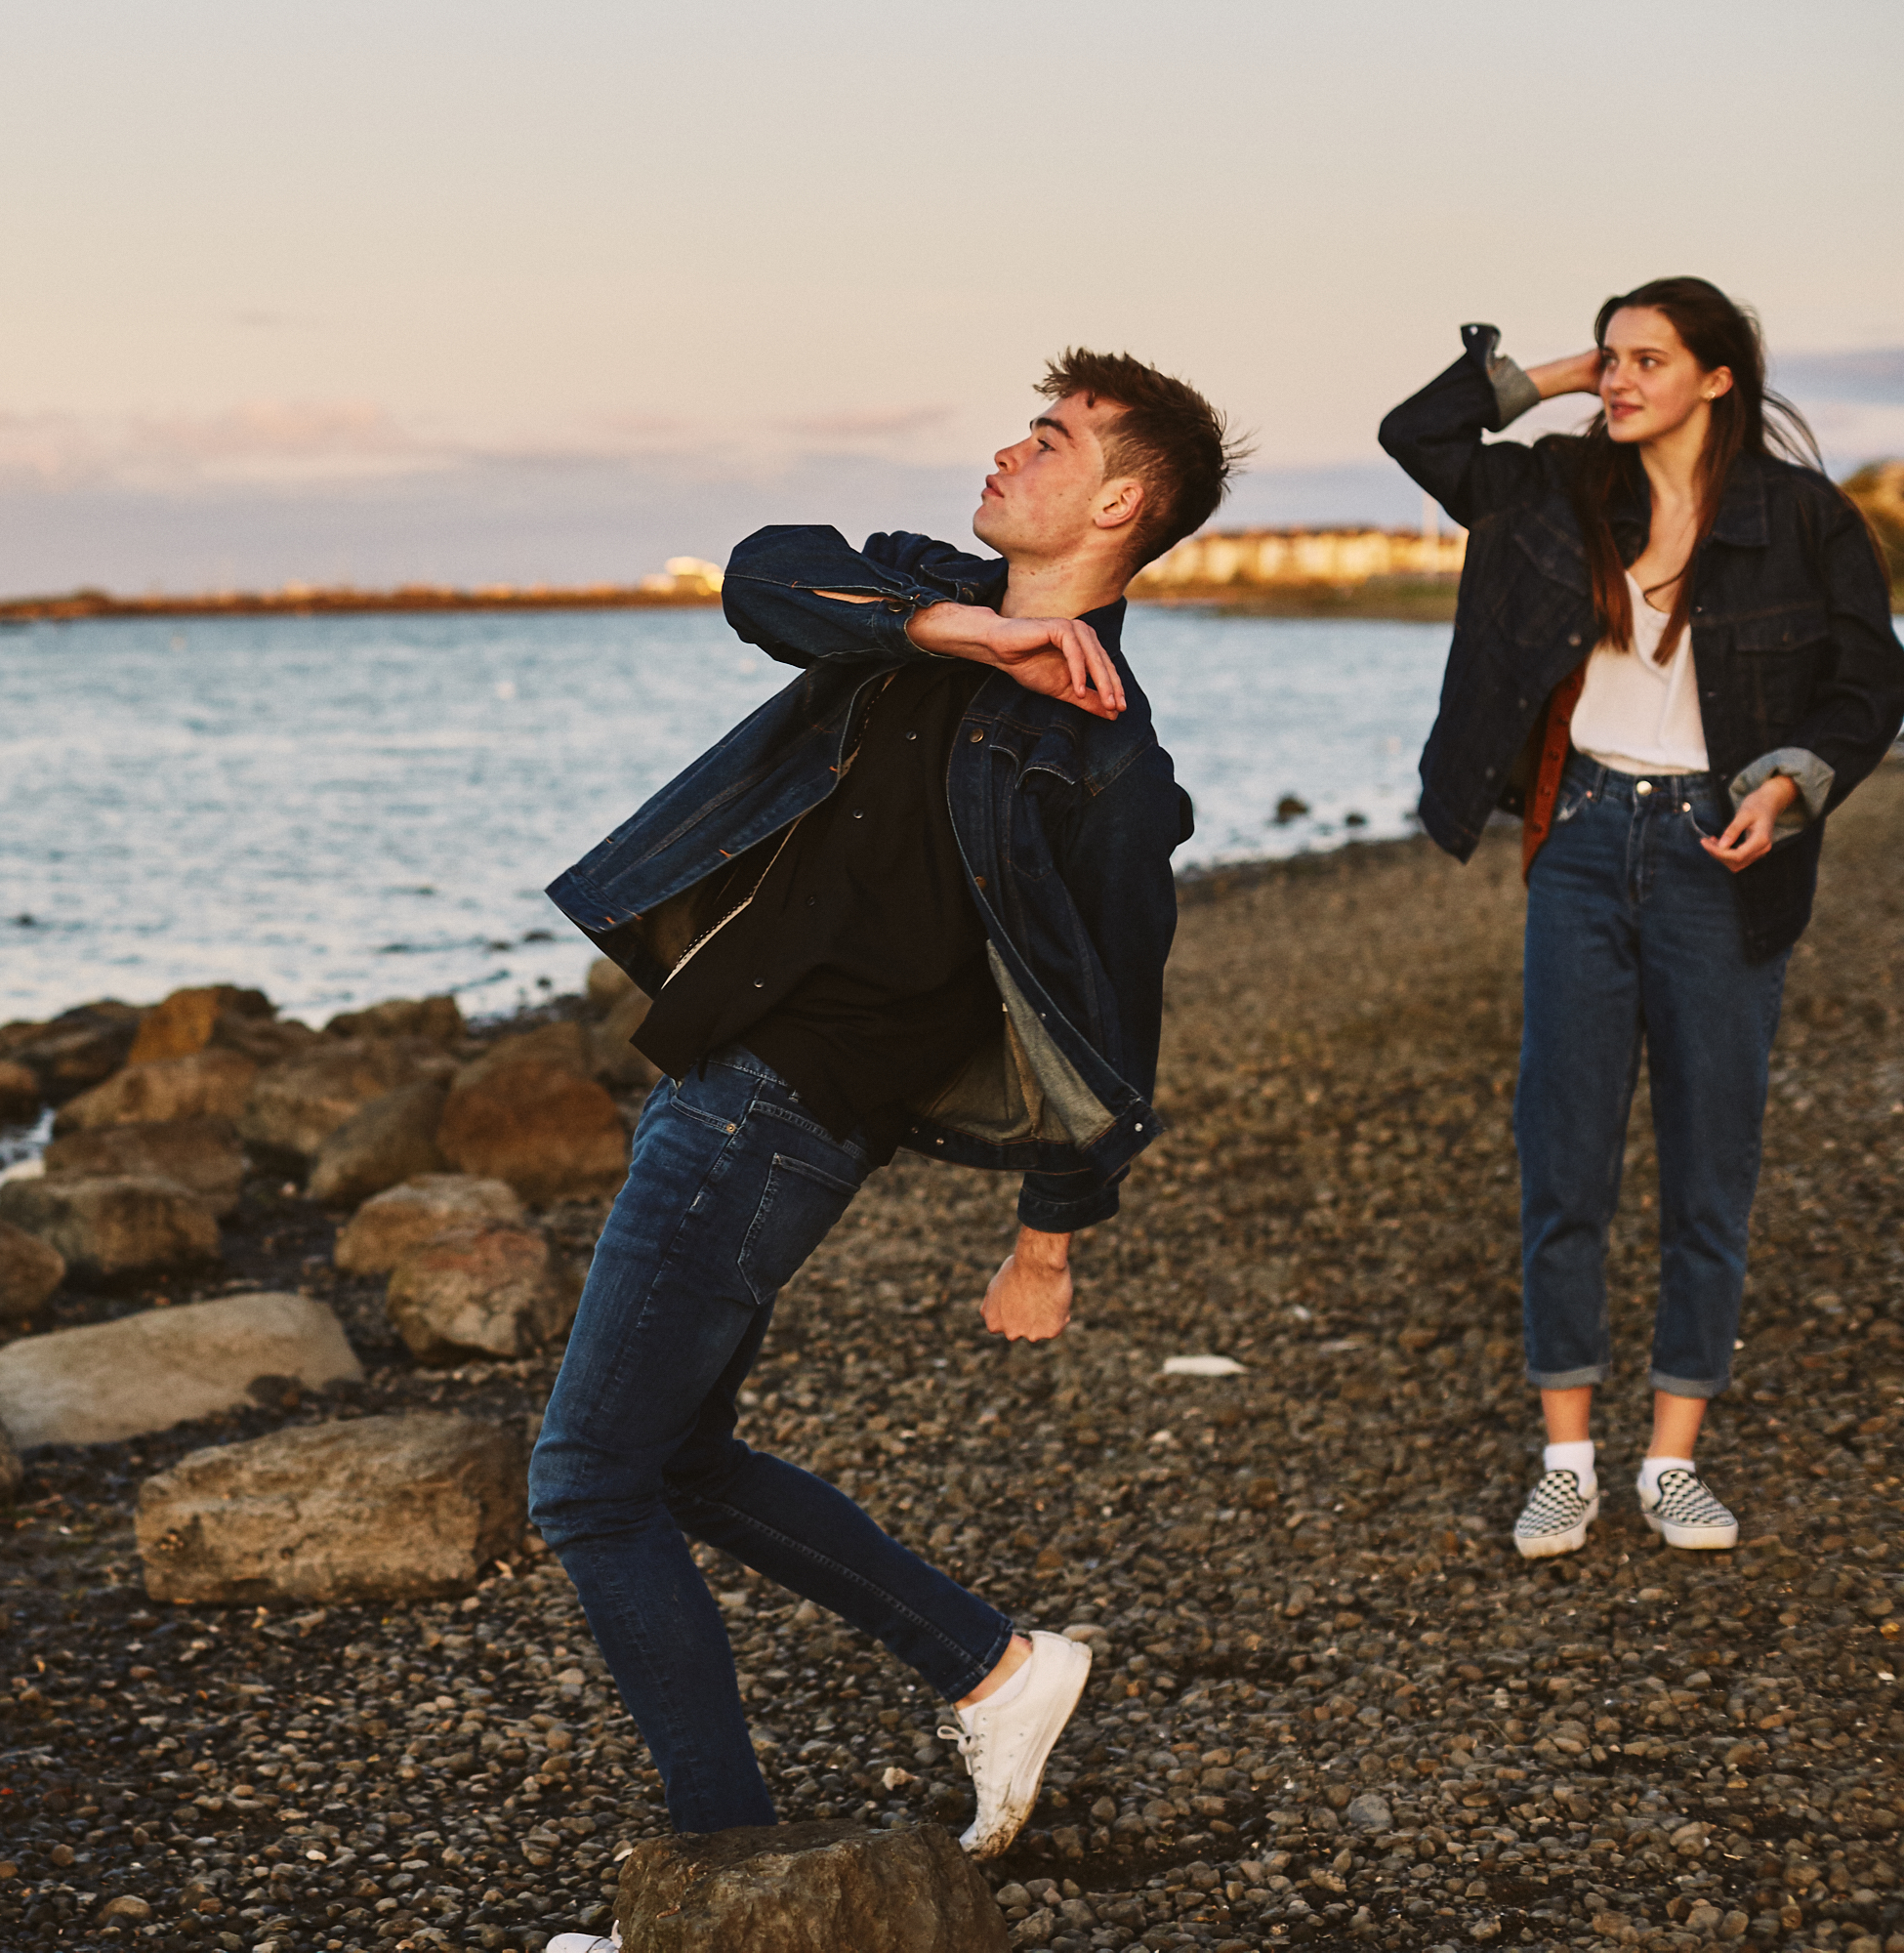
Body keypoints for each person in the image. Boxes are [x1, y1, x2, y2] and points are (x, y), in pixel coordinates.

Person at [526, 350, 1240, 1944]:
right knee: (678, 1458)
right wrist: (962, 623)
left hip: (777, 1115)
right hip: (725, 1080)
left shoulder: (1109, 765)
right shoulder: (920, 603)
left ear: (1119, 502)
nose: (1006, 449)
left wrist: (1049, 1235)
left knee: (587, 1481)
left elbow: (1117, 1033)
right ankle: (997, 1667)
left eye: (1048, 440)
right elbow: (766, 577)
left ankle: (712, 1887)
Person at [1380, 278, 1904, 1562]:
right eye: (1611, 357)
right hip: (1583, 841)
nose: (1620, 379)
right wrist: (1563, 375)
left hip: (1722, 851)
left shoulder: (1801, 519)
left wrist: (1794, 780)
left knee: (1706, 1169)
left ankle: (1672, 1459)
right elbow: (1423, 437)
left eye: (1649, 361)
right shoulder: (1561, 486)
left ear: (1720, 379)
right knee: (1563, 1157)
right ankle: (1567, 1458)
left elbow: (1871, 677)